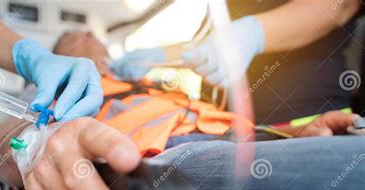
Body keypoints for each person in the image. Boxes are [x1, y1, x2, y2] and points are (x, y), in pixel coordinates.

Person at [0, 31, 365, 190]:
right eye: (74, 38)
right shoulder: (57, 80)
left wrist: (295, 135)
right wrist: (35, 145)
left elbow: (224, 125)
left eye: (94, 37)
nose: (88, 35)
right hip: (164, 164)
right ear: (62, 55)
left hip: (245, 143)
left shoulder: (152, 80)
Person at [111, 0, 362, 124]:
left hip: (309, 118)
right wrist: (152, 56)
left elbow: (341, 4)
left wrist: (253, 33)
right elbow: (209, 43)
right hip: (237, 129)